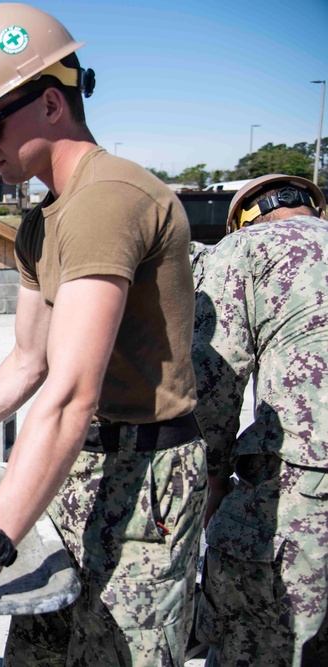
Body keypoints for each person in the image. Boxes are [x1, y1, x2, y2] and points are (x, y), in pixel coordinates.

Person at [0, 4, 205, 664]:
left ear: (52, 104)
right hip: (75, 469)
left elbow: (70, 393)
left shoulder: (108, 198)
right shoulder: (44, 219)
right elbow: (30, 357)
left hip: (142, 477)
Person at [192, 174, 328, 665]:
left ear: (244, 217)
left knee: (255, 639)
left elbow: (214, 380)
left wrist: (212, 483)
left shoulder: (245, 250)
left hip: (302, 491)